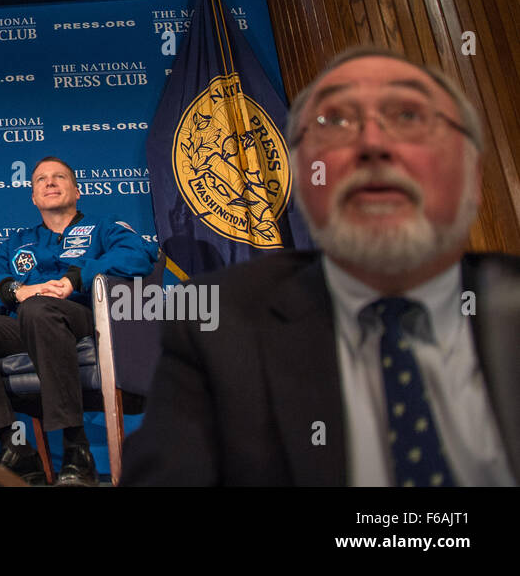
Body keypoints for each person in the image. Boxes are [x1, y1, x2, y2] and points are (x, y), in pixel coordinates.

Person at [123, 48, 519, 486]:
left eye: (409, 128)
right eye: (340, 136)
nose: (373, 155)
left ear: (470, 180)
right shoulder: (223, 333)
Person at [0, 157, 159, 485]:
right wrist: (17, 290)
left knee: (39, 310)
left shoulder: (104, 227)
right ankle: (15, 447)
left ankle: (75, 448)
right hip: (26, 321)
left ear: (77, 190)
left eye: (59, 177)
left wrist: (76, 278)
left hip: (85, 319)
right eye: (41, 180)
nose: (50, 183)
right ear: (34, 197)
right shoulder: (19, 241)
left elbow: (138, 255)